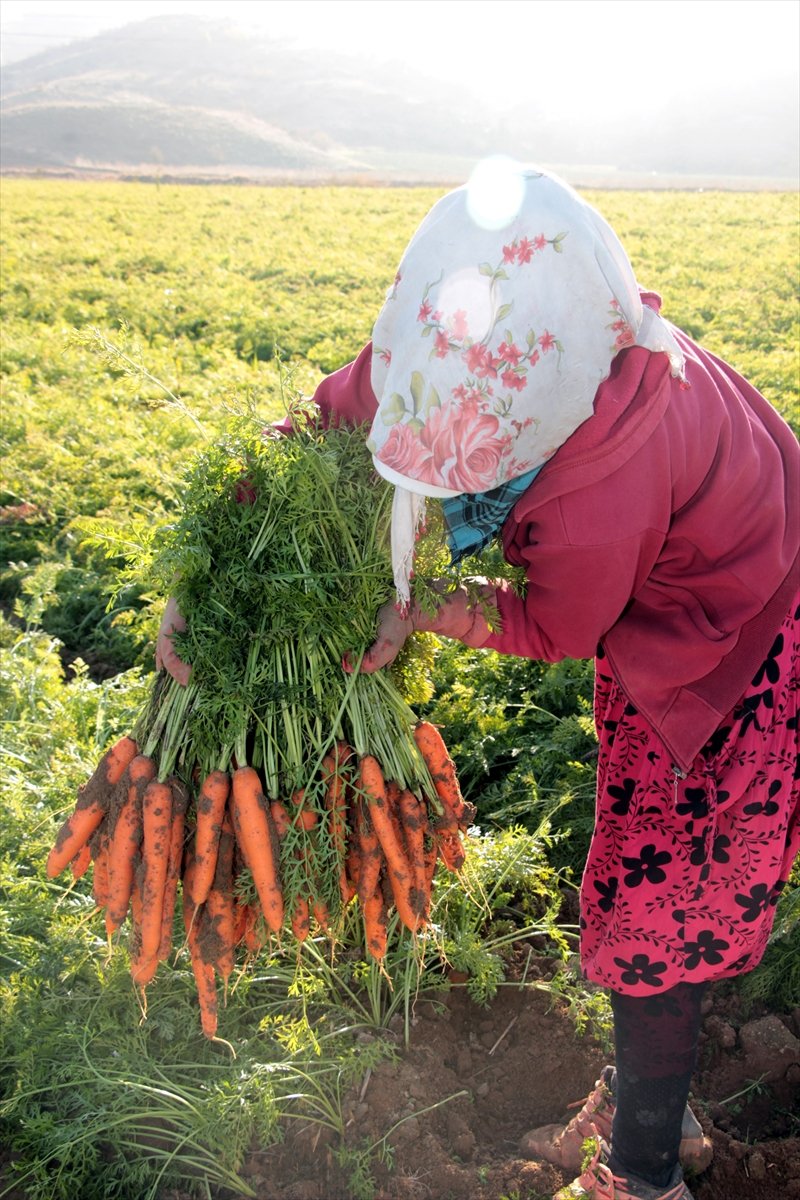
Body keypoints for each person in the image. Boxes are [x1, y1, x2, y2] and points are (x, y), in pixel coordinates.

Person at [158, 165, 799, 1200]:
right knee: (650, 893)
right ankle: (656, 1106)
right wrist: (205, 567)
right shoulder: (459, 337)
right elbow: (327, 424)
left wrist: (419, 609)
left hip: (729, 647)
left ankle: (641, 1174)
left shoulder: (611, 458)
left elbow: (553, 622)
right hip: (686, 584)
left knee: (656, 905)